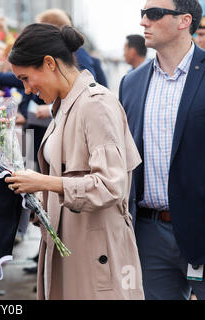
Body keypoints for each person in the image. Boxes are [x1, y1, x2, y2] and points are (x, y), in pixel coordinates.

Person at [0, 23, 144, 300]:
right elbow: (62, 187)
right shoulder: (66, 106)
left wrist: (43, 182)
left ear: (49, 63)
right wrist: (10, 204)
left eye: (25, 78)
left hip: (95, 254)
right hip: (75, 249)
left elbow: (111, 185)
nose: (26, 89)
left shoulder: (95, 105)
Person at [119, 0, 205, 300]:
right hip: (149, 232)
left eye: (153, 14)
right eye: (142, 14)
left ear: (184, 21)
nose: (144, 22)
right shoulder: (130, 83)